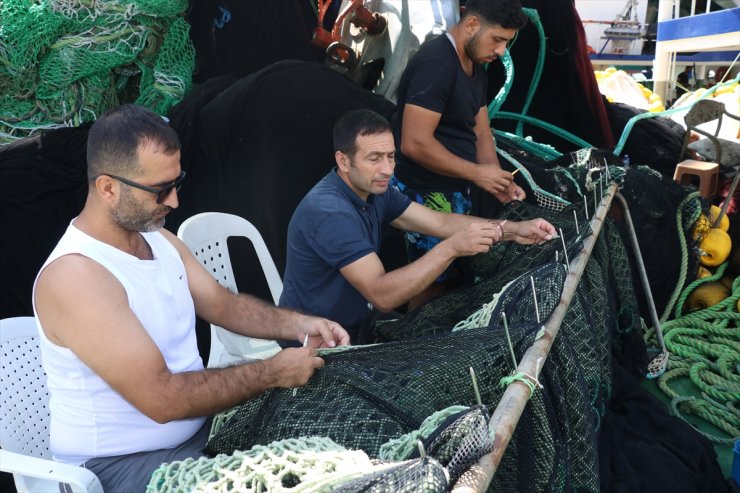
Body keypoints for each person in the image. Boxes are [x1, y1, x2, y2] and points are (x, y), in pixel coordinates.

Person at [32, 104, 350, 491]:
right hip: (116, 467)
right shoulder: (75, 277)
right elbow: (162, 400)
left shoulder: (159, 239)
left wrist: (300, 324)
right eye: (159, 190)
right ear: (108, 188)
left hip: (197, 435)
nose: (175, 201)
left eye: (176, 182)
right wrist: (272, 372)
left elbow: (222, 304)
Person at [279, 109, 556, 342]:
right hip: (312, 345)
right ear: (343, 161)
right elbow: (382, 295)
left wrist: (512, 229)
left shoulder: (377, 190)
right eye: (374, 158)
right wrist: (452, 248)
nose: (387, 169)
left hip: (353, 330)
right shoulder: (331, 213)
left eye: (391, 156)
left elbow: (438, 221)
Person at [392, 0, 529, 305]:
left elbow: (480, 129)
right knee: (428, 284)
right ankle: (412, 344)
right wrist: (477, 173)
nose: (501, 51)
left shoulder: (476, 65)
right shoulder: (436, 64)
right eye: (498, 39)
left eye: (506, 42)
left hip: (455, 192)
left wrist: (497, 180)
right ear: (471, 25)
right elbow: (413, 143)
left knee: (448, 279)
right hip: (423, 194)